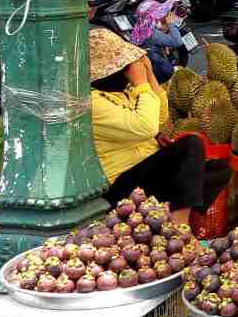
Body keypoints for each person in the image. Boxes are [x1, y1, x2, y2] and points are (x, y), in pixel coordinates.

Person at [87, 28, 205, 225]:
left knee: (216, 169)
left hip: (144, 170)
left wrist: (149, 76)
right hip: (121, 184)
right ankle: (180, 228)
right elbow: (147, 127)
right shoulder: (93, 101)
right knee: (191, 145)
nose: (128, 72)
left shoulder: (125, 92)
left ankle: (162, 222)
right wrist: (141, 83)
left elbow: (160, 119)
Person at [130, 0, 186, 82]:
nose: (164, 15)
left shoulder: (142, 28)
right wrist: (171, 24)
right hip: (159, 72)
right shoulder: (152, 33)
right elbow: (177, 42)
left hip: (154, 68)